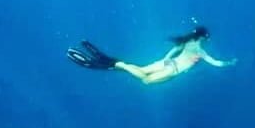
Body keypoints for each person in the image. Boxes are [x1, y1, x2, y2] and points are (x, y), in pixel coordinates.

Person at [67, 26, 236, 85]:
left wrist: (165, 58)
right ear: (203, 38)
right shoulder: (200, 51)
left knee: (140, 70)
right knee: (146, 80)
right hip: (172, 69)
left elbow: (174, 50)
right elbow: (216, 63)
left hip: (167, 62)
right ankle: (118, 64)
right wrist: (230, 63)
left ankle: (109, 62)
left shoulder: (187, 42)